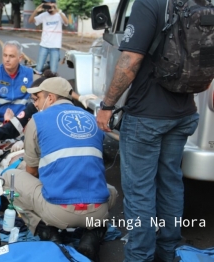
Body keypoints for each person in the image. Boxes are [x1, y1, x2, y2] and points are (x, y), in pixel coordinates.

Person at [96, 1, 199, 261]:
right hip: (184, 111)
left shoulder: (148, 3)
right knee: (170, 185)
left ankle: (139, 256)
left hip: (146, 117)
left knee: (140, 192)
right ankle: (168, 252)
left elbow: (130, 60)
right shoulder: (199, 3)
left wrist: (107, 105)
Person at [0, 77, 117, 261]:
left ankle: (47, 233)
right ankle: (92, 235)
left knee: (9, 178)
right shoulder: (92, 119)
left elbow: (32, 172)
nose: (36, 104)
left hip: (59, 212)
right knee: (112, 191)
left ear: (51, 98)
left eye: (37, 98)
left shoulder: (37, 120)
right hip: (97, 210)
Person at [0, 40, 34, 124]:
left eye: (11, 56)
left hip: (22, 122)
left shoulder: (29, 74)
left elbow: (34, 100)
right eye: (5, 55)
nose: (7, 59)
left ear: (20, 58)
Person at [28, 0, 68, 74]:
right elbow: (30, 21)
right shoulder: (44, 15)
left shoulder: (60, 14)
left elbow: (66, 22)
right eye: (46, 4)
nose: (47, 6)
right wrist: (36, 11)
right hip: (44, 45)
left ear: (54, 4)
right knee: (38, 69)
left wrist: (58, 10)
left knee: (53, 71)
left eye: (49, 4)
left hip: (55, 46)